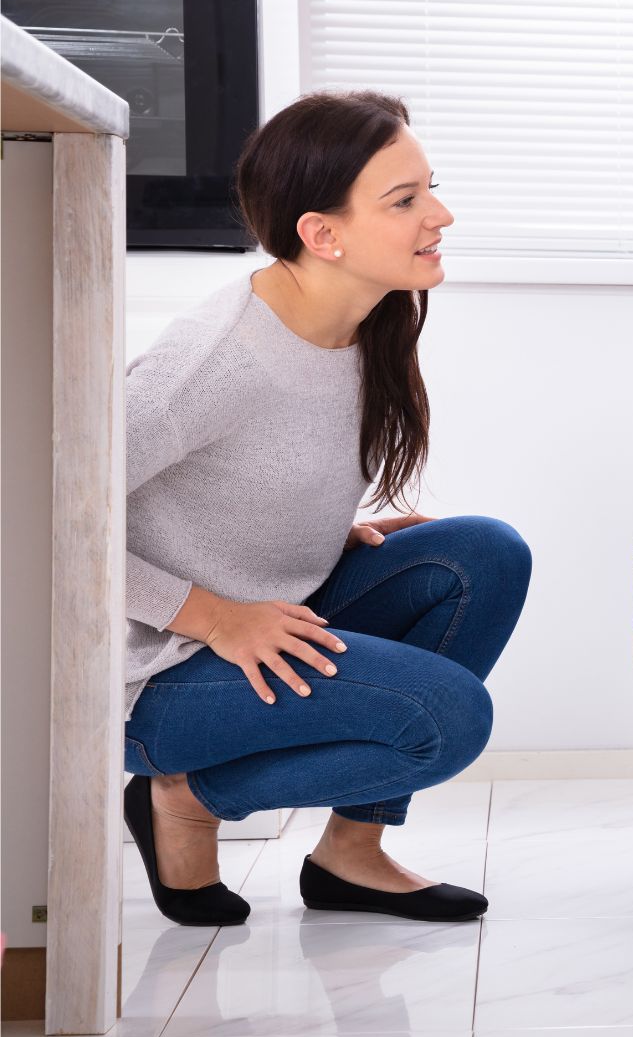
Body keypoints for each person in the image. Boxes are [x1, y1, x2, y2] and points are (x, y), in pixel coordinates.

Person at [121, 90, 530, 926]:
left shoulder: (362, 323)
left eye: (431, 189)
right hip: (151, 675)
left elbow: (244, 472)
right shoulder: (211, 362)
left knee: (483, 555)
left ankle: (352, 855)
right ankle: (185, 797)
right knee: (445, 721)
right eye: (406, 201)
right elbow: (36, 524)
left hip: (269, 616)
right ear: (323, 234)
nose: (440, 215)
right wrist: (212, 616)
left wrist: (307, 530)